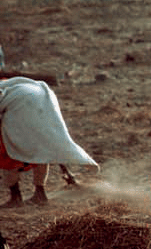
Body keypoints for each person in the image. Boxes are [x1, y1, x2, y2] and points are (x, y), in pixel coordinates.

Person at [0, 76, 98, 207]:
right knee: (44, 146)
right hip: (43, 98)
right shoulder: (9, 83)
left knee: (7, 152)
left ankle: (15, 197)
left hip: (24, 103)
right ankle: (40, 194)